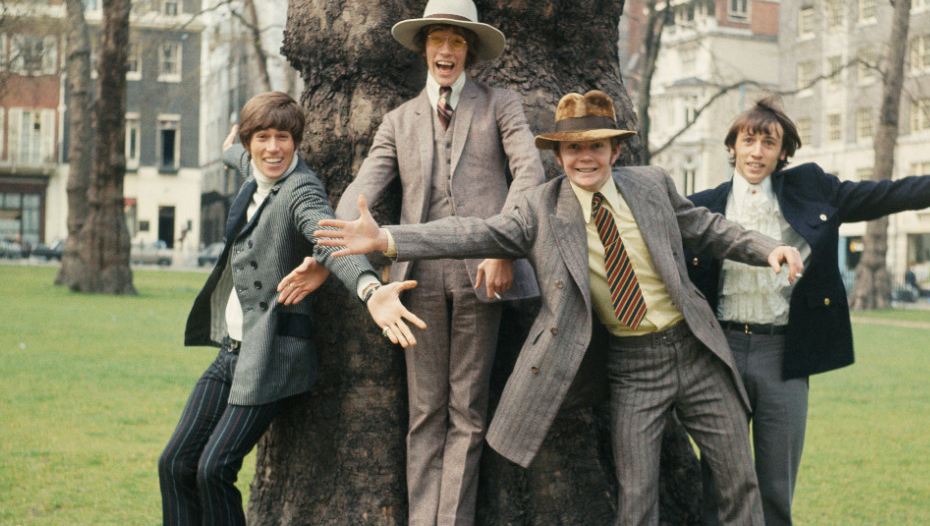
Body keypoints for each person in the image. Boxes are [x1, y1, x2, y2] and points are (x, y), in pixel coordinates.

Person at [315, 90, 807, 526]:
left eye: (596, 145)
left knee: (738, 481)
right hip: (634, 368)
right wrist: (386, 238)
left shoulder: (652, 186)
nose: (584, 157)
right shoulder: (540, 208)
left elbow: (708, 227)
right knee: (636, 500)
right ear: (558, 156)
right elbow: (471, 231)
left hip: (696, 350)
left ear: (616, 149)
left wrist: (768, 248)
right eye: (573, 147)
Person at [279, 0, 545, 526]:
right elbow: (356, 198)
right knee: (425, 414)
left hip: (482, 277)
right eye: (437, 39)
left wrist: (502, 244)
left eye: (456, 40)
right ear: (423, 48)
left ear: (470, 50)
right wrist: (324, 254)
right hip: (413, 285)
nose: (446, 50)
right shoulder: (397, 121)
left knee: (467, 412)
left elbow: (530, 178)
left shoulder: (501, 106)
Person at [686, 95, 930, 526]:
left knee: (775, 487)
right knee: (719, 483)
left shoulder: (812, 191)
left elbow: (894, 194)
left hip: (783, 356)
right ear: (731, 146)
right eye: (748, 140)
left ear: (783, 152)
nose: (756, 152)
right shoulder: (702, 204)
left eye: (769, 143)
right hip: (719, 352)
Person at [157, 92, 424, 526]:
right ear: (249, 141)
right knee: (174, 464)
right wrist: (228, 151)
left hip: (270, 354)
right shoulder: (251, 166)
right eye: (262, 137)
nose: (273, 148)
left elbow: (330, 241)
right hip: (229, 354)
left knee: (213, 470)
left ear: (296, 141)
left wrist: (370, 288)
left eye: (283, 137)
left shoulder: (301, 189)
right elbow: (238, 159)